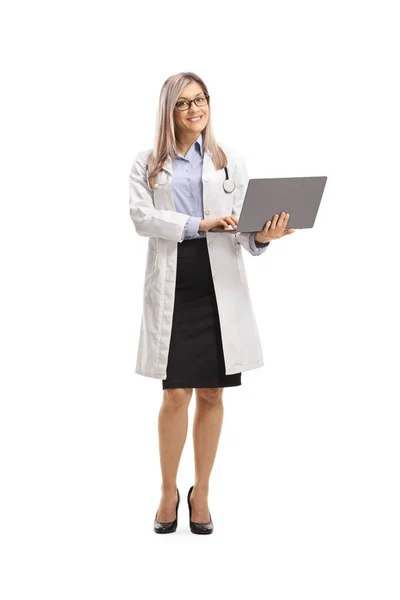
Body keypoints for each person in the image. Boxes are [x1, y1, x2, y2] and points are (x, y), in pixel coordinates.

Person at [128, 71, 296, 535]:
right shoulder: (148, 163)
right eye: (183, 103)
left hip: (218, 286)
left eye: (200, 99)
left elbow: (245, 232)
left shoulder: (228, 160)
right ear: (169, 111)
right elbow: (143, 218)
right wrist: (200, 225)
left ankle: (201, 492)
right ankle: (167, 491)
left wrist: (265, 234)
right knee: (174, 393)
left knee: (212, 392)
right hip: (175, 286)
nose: (194, 109)